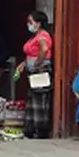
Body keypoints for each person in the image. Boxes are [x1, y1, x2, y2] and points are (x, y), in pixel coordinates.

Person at [16, 10, 54, 139]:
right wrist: (24, 64)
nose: (28, 24)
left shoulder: (43, 35)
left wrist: (37, 63)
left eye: (31, 22)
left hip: (40, 71)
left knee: (40, 100)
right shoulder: (35, 36)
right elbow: (31, 53)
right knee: (32, 99)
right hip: (33, 71)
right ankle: (30, 130)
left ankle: (41, 130)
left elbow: (44, 49)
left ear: (38, 23)